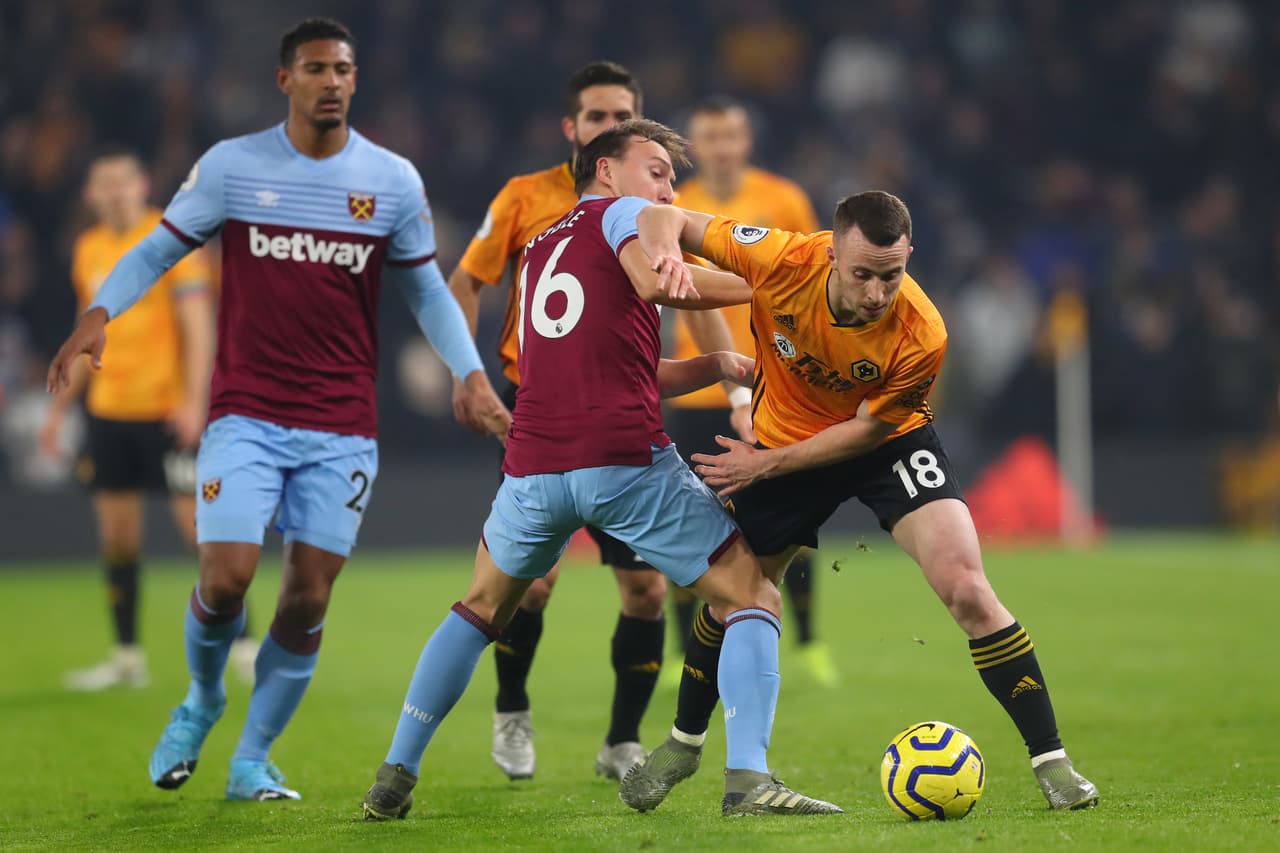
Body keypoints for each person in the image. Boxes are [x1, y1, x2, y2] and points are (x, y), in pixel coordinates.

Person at [46, 17, 509, 802]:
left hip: (340, 424)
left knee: (307, 595)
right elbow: (159, 248)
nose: (333, 81)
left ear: (356, 80)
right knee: (225, 577)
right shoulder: (233, 167)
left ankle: (253, 758)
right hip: (246, 413)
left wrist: (468, 371)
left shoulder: (391, 180)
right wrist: (100, 312)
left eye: (345, 69)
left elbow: (427, 287)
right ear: (284, 79)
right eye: (317, 68)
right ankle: (201, 700)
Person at [362, 119, 840, 820]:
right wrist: (771, 287)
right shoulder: (625, 213)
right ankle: (750, 779)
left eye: (672, 180)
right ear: (607, 171)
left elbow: (617, 363)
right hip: (622, 461)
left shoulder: (543, 249)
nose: (668, 191)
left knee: (478, 609)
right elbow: (661, 281)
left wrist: (712, 365)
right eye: (656, 171)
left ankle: (394, 773)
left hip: (534, 466)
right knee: (752, 597)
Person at [621, 191, 1099, 812]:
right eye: (863, 275)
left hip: (884, 445)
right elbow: (665, 217)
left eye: (891, 276)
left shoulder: (923, 331)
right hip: (787, 437)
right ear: (832, 254)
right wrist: (665, 258)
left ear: (909, 259)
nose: (877, 293)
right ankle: (685, 744)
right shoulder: (782, 258)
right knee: (737, 594)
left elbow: (869, 430)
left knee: (968, 589)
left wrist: (765, 463)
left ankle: (1052, 761)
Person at [449, 61, 707, 782]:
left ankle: (622, 739)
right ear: (574, 129)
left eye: (620, 113)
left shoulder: (648, 202)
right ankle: (510, 710)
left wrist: (723, 375)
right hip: (535, 407)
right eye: (595, 116)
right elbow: (464, 280)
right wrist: (465, 373)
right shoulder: (524, 198)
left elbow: (672, 286)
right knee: (530, 583)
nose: (606, 125)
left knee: (647, 589)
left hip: (622, 406)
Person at [40, 150, 258, 691]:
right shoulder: (88, 248)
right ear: (90, 195)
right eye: (104, 184)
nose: (115, 193)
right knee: (118, 539)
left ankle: (248, 645)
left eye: (124, 182)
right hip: (109, 414)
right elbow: (89, 330)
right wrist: (60, 410)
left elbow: (198, 325)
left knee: (202, 535)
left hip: (166, 413)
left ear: (141, 186)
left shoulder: (173, 238)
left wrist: (194, 402)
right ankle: (126, 656)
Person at [663, 96, 838, 690]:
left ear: (745, 141)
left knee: (796, 521)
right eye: (709, 138)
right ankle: (678, 650)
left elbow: (815, 279)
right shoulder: (674, 205)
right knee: (686, 521)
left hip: (777, 382)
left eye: (730, 136)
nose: (721, 148)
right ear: (694, 143)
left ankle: (810, 644)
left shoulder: (783, 198)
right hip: (698, 389)